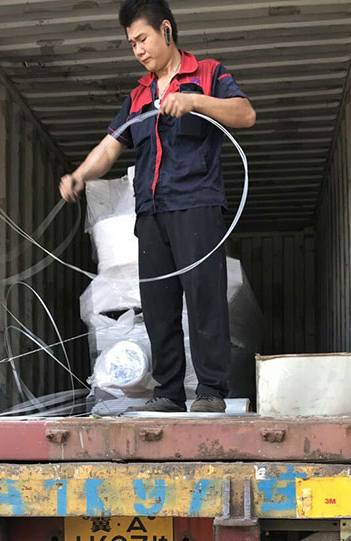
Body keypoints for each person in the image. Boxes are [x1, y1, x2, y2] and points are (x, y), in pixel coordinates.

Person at [59, 0, 256, 413]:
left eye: (142, 39)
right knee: (158, 305)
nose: (138, 50)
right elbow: (110, 147)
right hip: (150, 213)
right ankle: (168, 392)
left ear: (165, 30)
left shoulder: (208, 74)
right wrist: (80, 175)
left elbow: (245, 114)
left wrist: (195, 102)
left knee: (204, 297)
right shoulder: (138, 96)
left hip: (196, 204)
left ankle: (211, 391)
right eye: (131, 44)